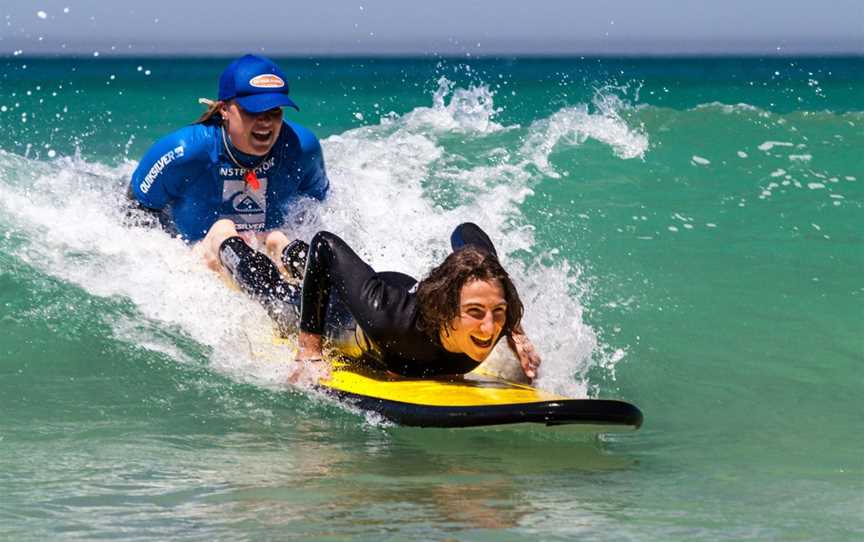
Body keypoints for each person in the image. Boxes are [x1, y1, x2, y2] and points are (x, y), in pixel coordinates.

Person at [126, 54, 329, 308]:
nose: (265, 120)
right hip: (202, 259)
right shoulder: (183, 151)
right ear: (224, 109)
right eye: (253, 109)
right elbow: (136, 213)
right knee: (223, 230)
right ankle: (275, 303)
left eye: (274, 110)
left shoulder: (302, 148)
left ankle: (313, 295)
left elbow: (316, 208)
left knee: (281, 239)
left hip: (267, 251)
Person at [293, 223, 542, 382]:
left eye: (498, 310)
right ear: (446, 308)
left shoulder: (500, 316)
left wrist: (516, 331)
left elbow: (465, 231)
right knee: (287, 298)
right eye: (475, 311)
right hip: (353, 316)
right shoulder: (389, 322)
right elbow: (324, 243)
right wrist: (310, 350)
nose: (490, 328)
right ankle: (285, 251)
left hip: (408, 290)